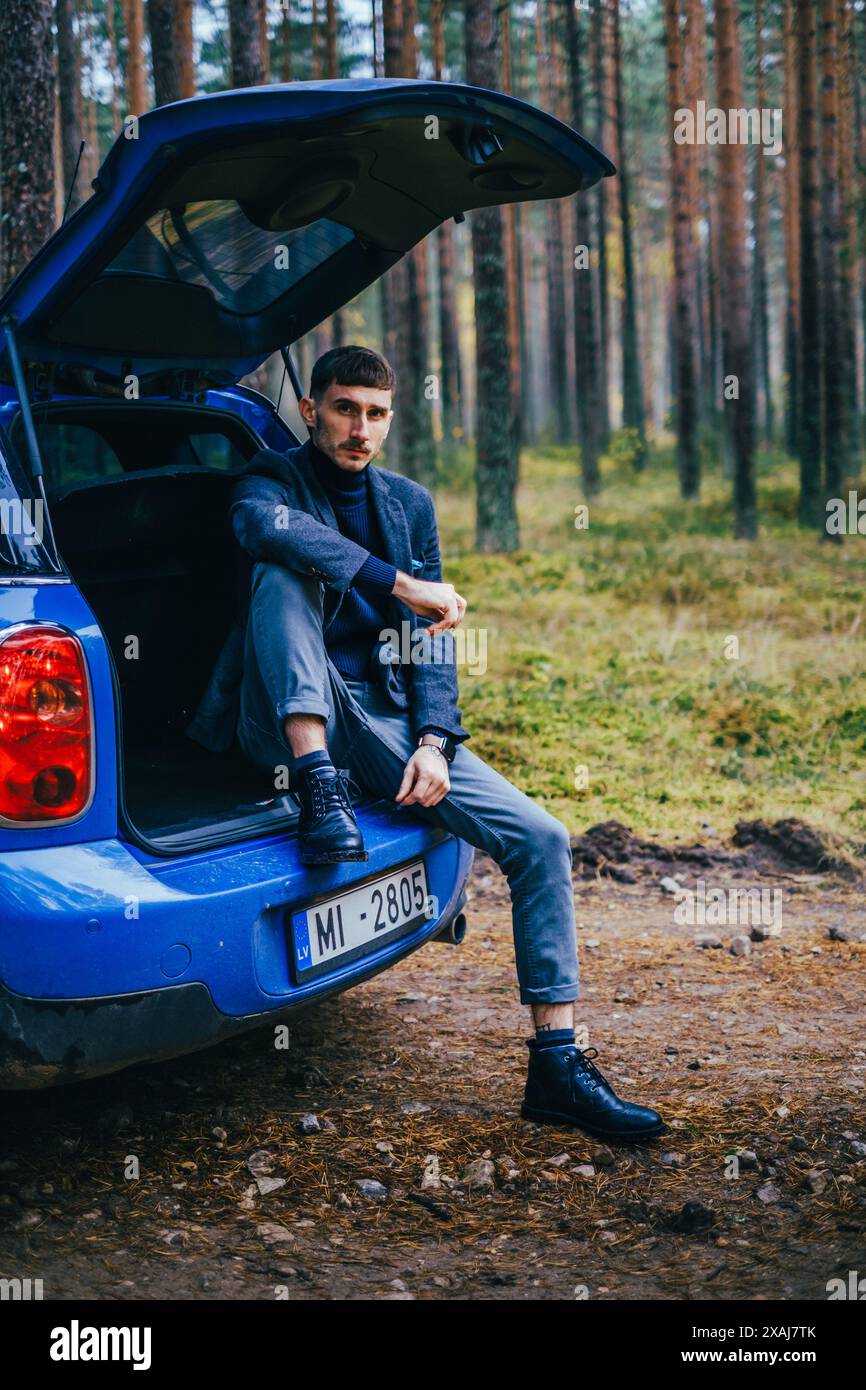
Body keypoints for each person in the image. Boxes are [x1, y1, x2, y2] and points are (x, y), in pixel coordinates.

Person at [227, 345, 667, 1143]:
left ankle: (557, 1065)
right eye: (344, 409)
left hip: (387, 721)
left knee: (541, 838)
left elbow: (432, 643)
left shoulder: (408, 505)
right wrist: (399, 583)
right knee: (281, 568)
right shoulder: (270, 480)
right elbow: (266, 530)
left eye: (377, 413)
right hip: (288, 716)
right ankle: (318, 785)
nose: (360, 429)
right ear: (310, 410)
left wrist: (433, 739)